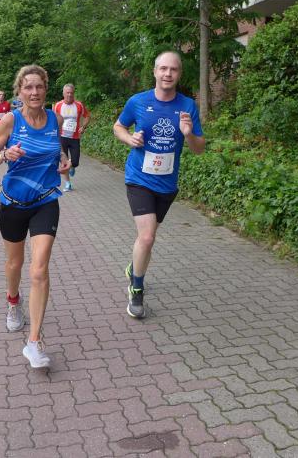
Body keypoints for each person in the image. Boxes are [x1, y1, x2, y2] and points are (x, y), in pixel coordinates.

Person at [0, 64, 71, 368]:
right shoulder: (10, 120)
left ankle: (34, 342)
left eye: (39, 86)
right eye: (28, 87)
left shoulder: (55, 119)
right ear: (19, 91)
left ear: (46, 89)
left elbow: (57, 151)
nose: (34, 92)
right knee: (14, 264)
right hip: (13, 202)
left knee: (39, 269)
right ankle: (13, 301)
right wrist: (4, 155)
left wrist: (63, 161)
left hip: (46, 200)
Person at [112, 51, 206, 319]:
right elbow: (118, 126)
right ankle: (137, 289)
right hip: (139, 178)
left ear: (179, 74)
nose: (167, 74)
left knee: (148, 238)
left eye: (173, 69)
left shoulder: (187, 106)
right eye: (163, 68)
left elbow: (199, 148)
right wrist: (129, 139)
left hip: (167, 183)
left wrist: (189, 134)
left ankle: (134, 268)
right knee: (147, 236)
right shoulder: (138, 101)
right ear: (154, 72)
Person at [53, 84, 90, 192]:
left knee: (75, 162)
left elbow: (87, 116)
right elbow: (53, 120)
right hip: (62, 137)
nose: (69, 95)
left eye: (71, 93)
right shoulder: (58, 106)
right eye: (67, 92)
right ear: (63, 93)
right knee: (64, 162)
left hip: (75, 137)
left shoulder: (79, 105)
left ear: (74, 93)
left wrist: (83, 127)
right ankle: (68, 183)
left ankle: (72, 166)